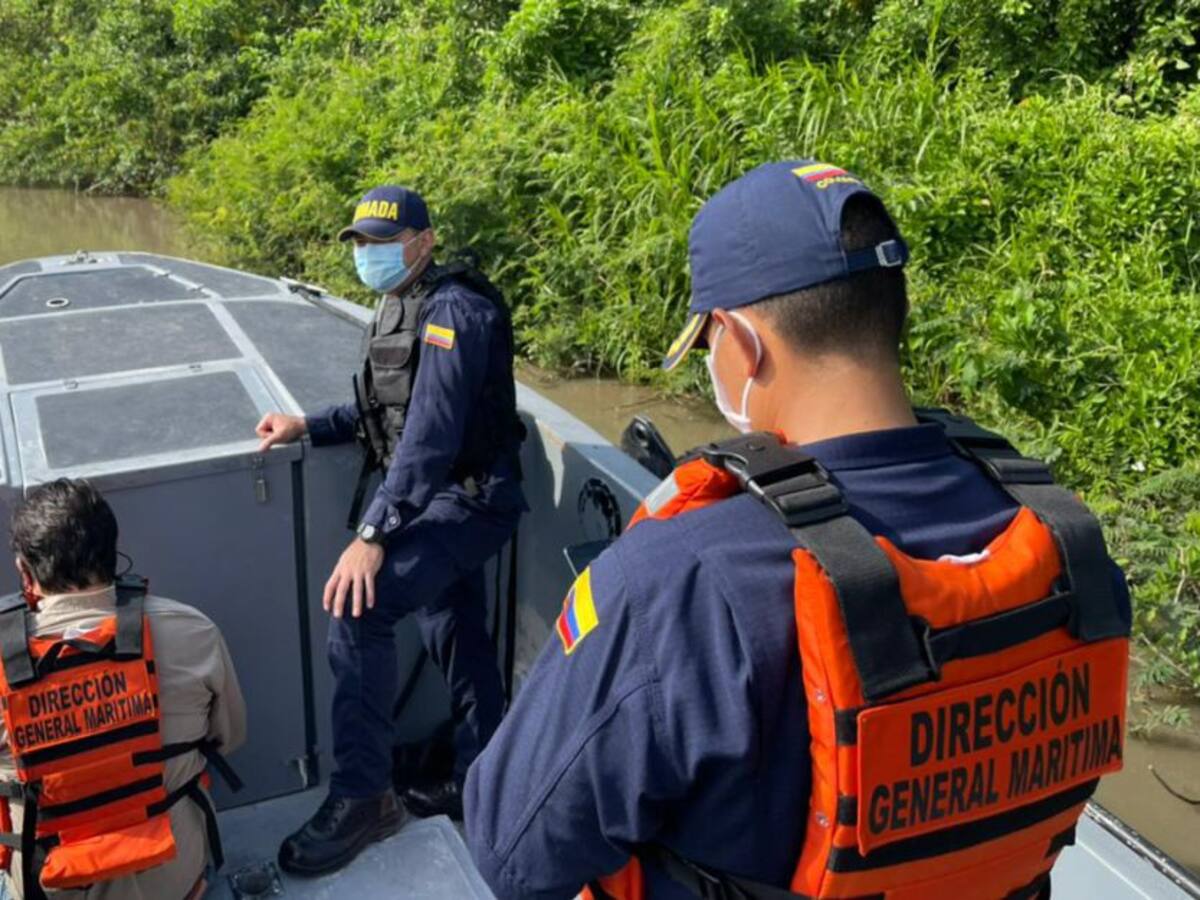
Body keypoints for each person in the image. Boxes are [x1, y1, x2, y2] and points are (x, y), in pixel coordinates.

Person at [464, 161, 1132, 899]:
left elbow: (512, 851)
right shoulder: (1067, 539)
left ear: (742, 344)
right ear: (890, 311)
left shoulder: (681, 580)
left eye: (708, 344)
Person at [257, 185, 527, 876]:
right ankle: (479, 773)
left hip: (468, 500)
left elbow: (432, 438)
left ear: (424, 241)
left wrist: (373, 533)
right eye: (361, 244)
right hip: (435, 500)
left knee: (360, 608)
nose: (370, 255)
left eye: (383, 242)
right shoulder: (400, 304)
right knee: (453, 626)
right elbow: (382, 411)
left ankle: (363, 796)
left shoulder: (453, 313)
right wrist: (309, 425)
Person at [0, 479, 245, 900]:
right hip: (176, 880)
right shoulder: (193, 631)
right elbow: (230, 738)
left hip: (50, 887)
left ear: (25, 571)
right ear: (113, 553)